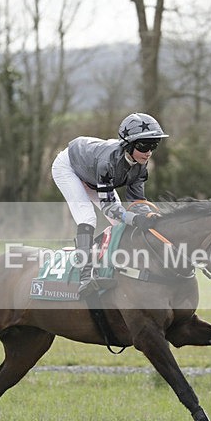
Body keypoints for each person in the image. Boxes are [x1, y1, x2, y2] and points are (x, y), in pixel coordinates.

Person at [51, 112, 169, 296]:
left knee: (121, 224)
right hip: (69, 167)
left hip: (92, 173)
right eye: (144, 145)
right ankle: (85, 276)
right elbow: (108, 208)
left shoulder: (141, 165)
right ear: (128, 145)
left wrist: (148, 216)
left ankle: (118, 267)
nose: (149, 152)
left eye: (154, 145)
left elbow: (137, 201)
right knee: (87, 217)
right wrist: (135, 219)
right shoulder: (108, 163)